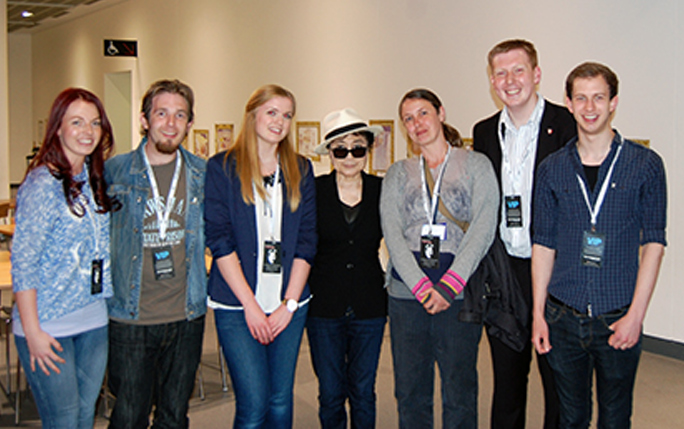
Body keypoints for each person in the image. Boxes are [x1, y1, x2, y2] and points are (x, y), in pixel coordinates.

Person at [531, 62, 667, 427]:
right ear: (569, 103)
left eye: (598, 98)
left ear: (613, 102)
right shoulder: (552, 169)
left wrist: (635, 316)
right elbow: (543, 245)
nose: (590, 108)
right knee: (571, 417)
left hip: (617, 316)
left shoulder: (645, 165)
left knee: (615, 417)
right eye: (581, 98)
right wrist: (539, 314)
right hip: (562, 315)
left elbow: (654, 243)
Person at [472, 39, 576, 429]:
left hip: (556, 271)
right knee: (508, 382)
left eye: (518, 70)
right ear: (492, 81)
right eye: (500, 73)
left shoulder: (566, 125)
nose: (509, 80)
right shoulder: (483, 132)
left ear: (536, 74)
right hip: (505, 275)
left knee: (559, 383)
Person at [381, 88, 499, 428]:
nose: (416, 123)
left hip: (459, 296)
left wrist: (449, 285)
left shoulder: (476, 165)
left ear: (441, 113)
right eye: (408, 118)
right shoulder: (397, 173)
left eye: (423, 113)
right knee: (410, 390)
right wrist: (420, 286)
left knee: (459, 390)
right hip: (406, 297)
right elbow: (392, 233)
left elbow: (484, 225)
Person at [204, 84, 317, 428]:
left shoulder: (301, 168)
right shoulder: (222, 167)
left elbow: (307, 241)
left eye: (286, 115)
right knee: (253, 405)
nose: (279, 122)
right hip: (238, 305)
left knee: (281, 400)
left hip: (289, 305)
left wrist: (290, 304)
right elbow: (220, 241)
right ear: (252, 115)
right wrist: (250, 305)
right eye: (272, 112)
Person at [11, 88, 117, 428]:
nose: (88, 131)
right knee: (64, 420)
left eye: (95, 123)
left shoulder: (93, 181)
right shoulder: (43, 184)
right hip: (49, 325)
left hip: (93, 321)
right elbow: (23, 263)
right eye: (77, 122)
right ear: (58, 128)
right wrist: (32, 332)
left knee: (85, 417)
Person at [105, 79, 207, 428]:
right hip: (130, 317)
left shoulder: (201, 174)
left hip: (186, 315)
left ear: (190, 123)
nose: (170, 123)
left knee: (174, 417)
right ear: (144, 120)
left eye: (180, 115)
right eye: (161, 113)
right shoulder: (114, 172)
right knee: (129, 416)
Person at [307, 108, 387, 429]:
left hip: (370, 306)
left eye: (357, 148)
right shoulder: (313, 191)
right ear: (329, 153)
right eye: (341, 149)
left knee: (364, 391)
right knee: (330, 392)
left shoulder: (383, 191)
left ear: (367, 150)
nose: (350, 156)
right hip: (324, 307)